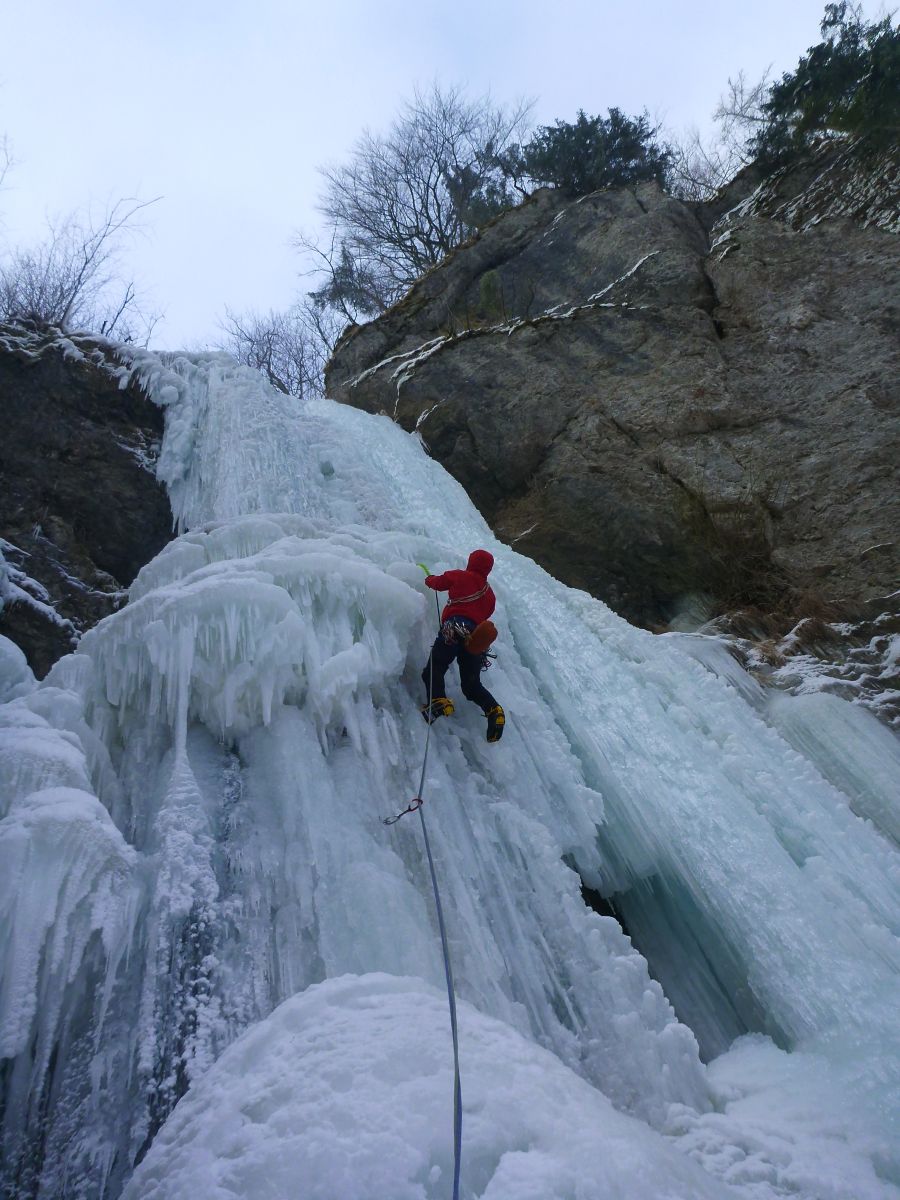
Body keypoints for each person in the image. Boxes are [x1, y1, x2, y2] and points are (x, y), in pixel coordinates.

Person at [421, 549, 505, 742]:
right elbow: (485, 614)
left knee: (434, 668)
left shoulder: (460, 576)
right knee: (471, 685)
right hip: (474, 639)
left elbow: (438, 583)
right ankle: (494, 710)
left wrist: (428, 579)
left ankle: (437, 700)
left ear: (471, 562)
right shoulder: (490, 595)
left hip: (454, 628)